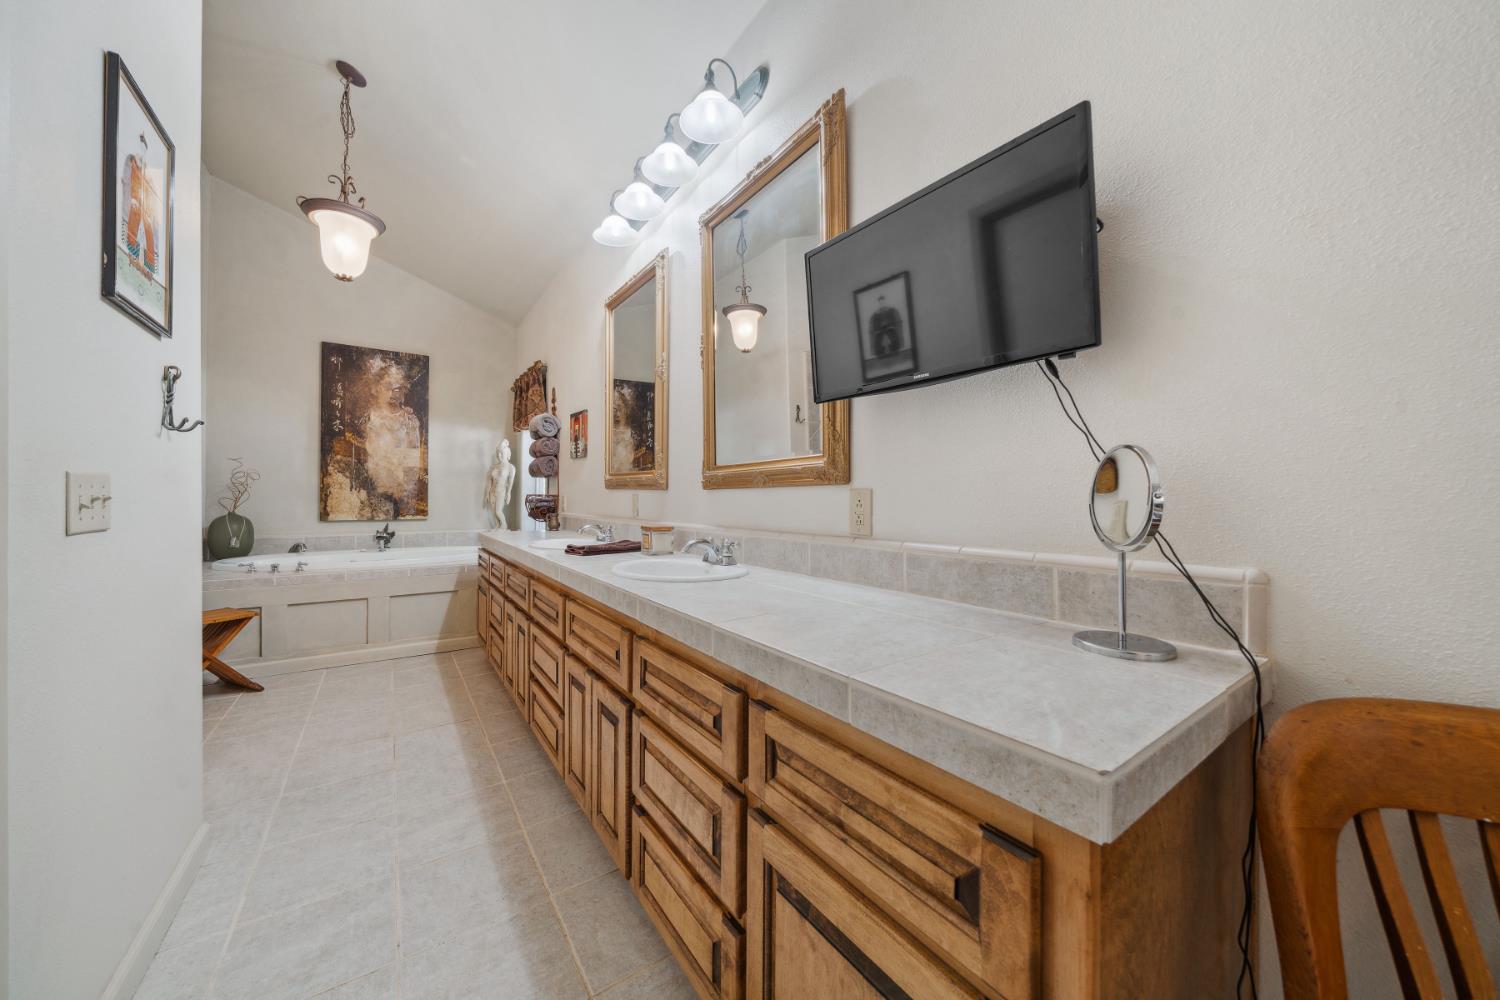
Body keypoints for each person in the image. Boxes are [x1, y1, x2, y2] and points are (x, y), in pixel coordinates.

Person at [484, 439, 516, 529]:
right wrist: (487, 494)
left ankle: (504, 526)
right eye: (498, 453)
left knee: (498, 511)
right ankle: (498, 526)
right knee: (494, 512)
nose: (499, 455)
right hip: (492, 492)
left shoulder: (510, 467)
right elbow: (489, 481)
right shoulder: (493, 467)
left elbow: (510, 481)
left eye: (501, 453)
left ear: (507, 454)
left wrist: (508, 493)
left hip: (501, 491)